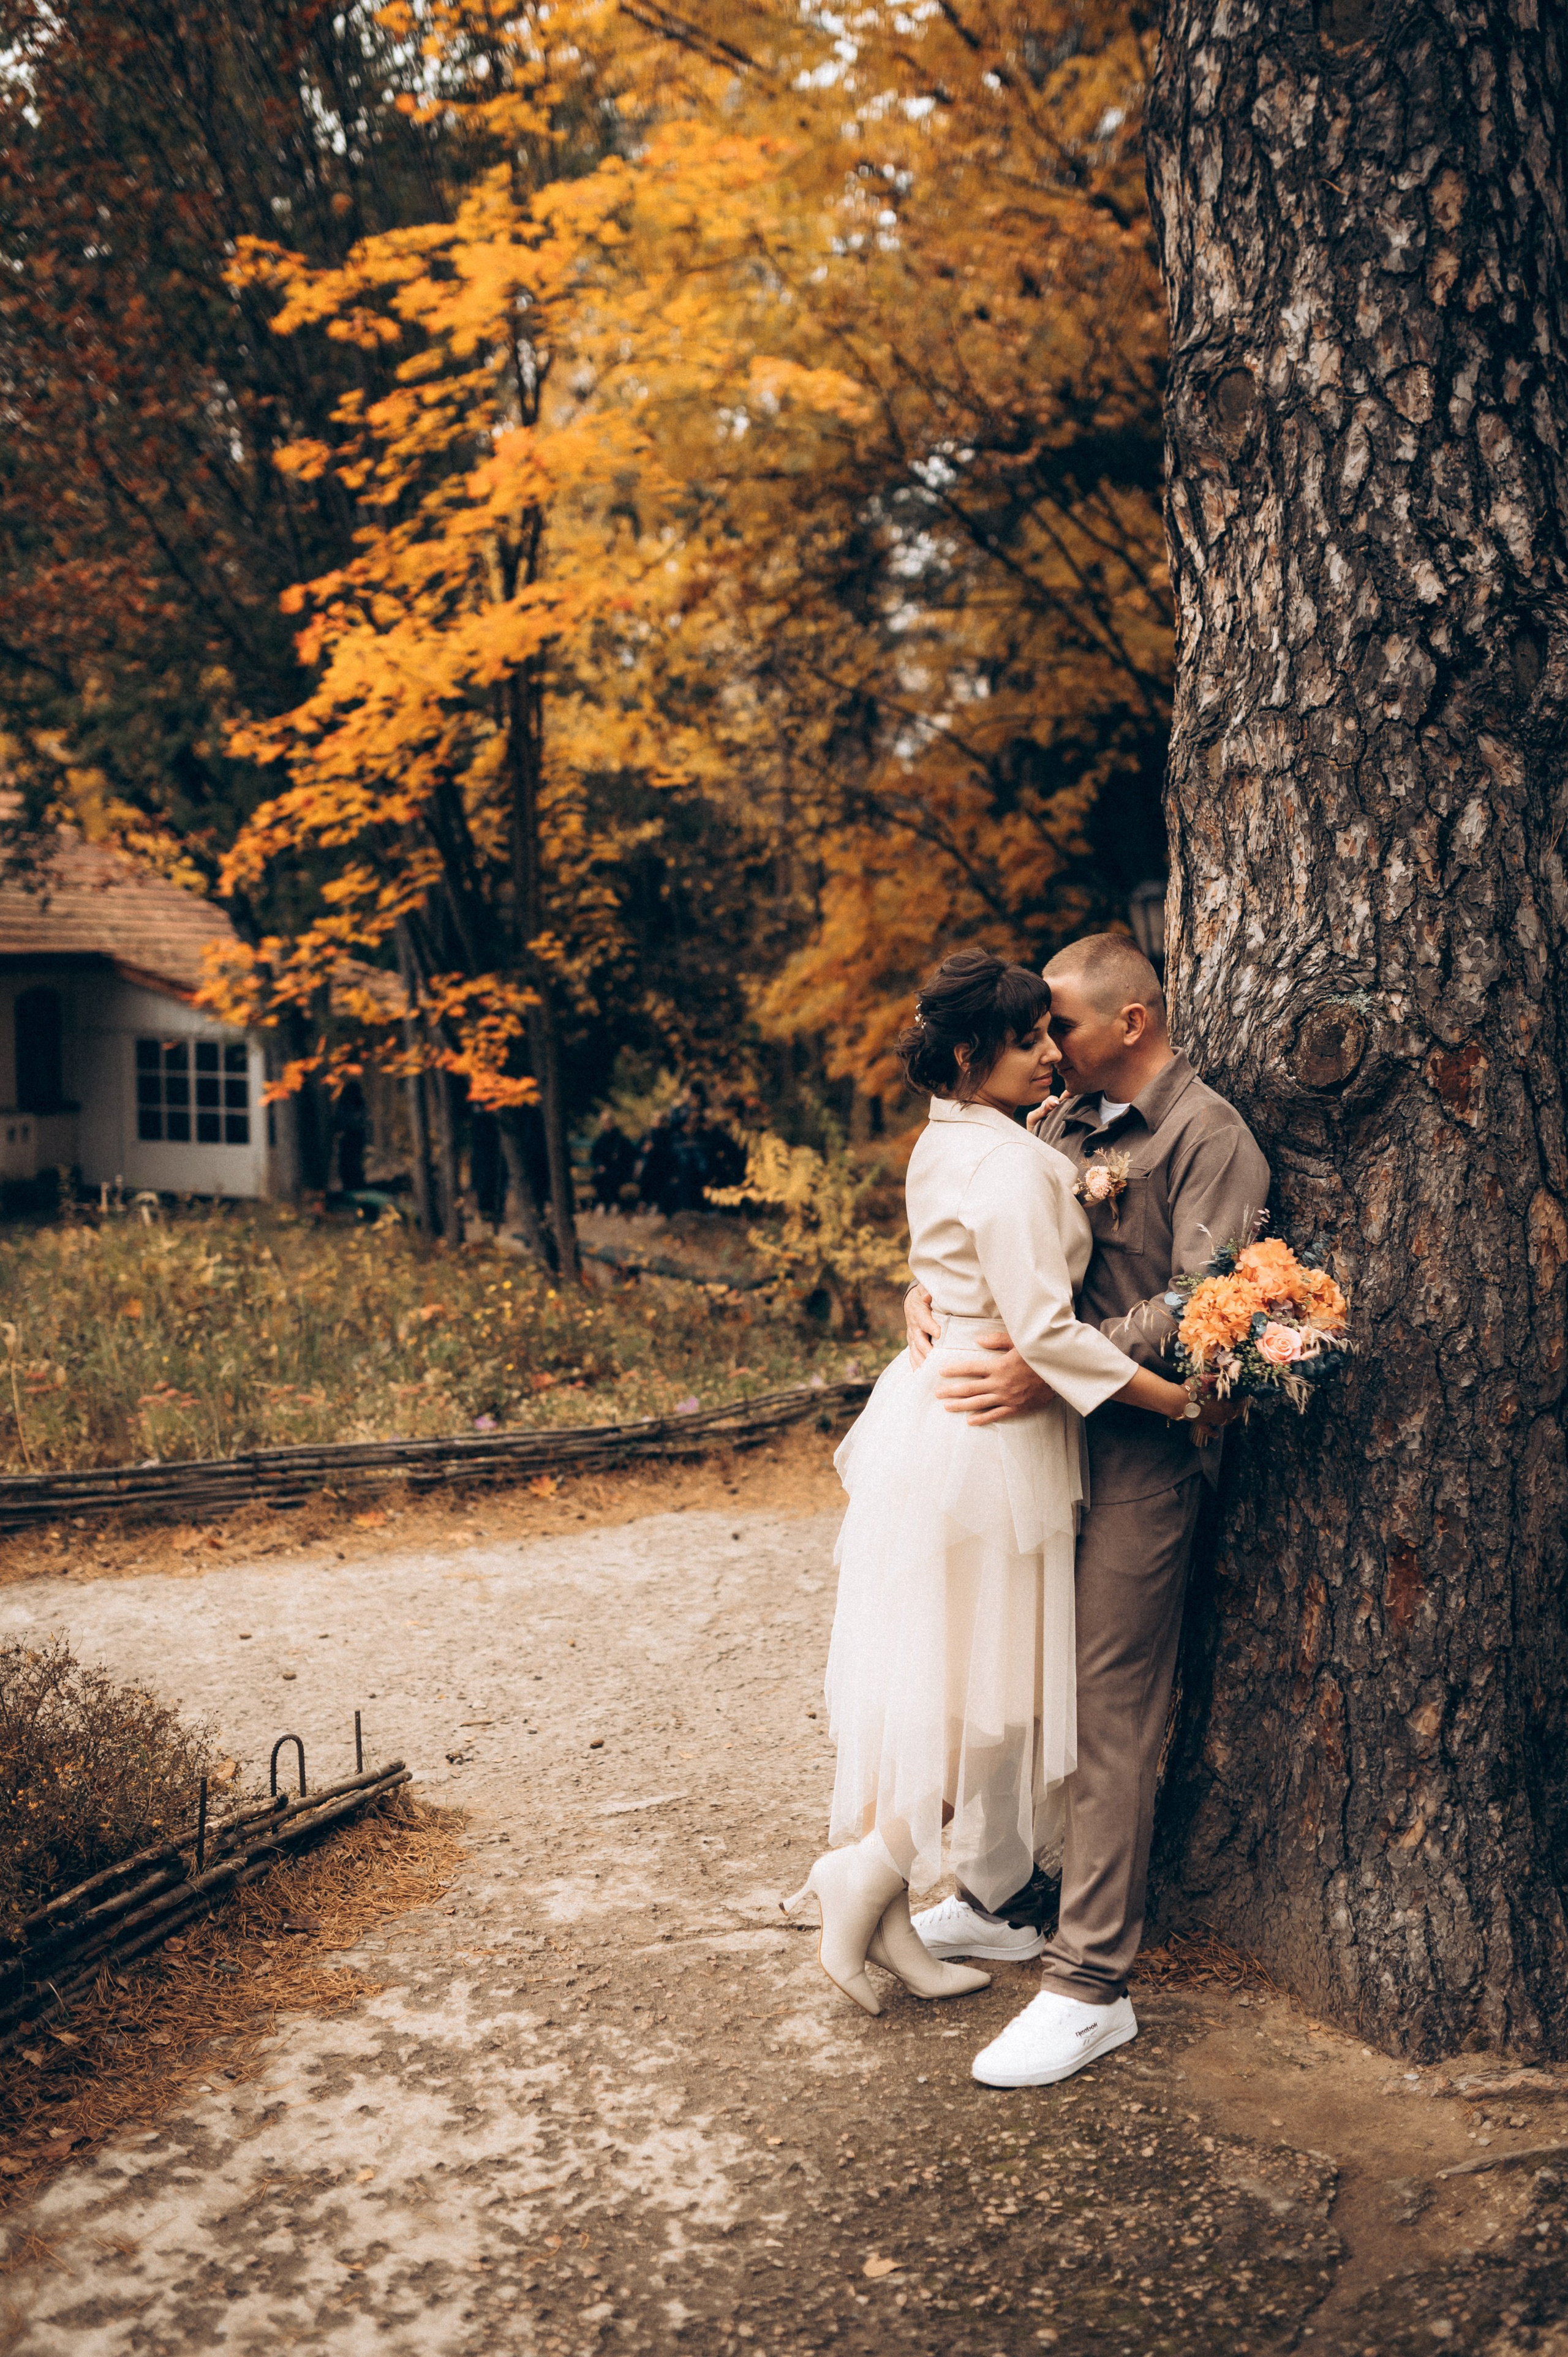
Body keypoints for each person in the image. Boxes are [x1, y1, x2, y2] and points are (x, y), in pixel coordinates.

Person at [787, 949, 1213, 2024]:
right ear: (975, 1053)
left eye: (1051, 1033)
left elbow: (951, 1262)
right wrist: (1177, 1401)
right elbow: (1047, 1333)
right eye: (1028, 1040)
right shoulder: (1016, 1163)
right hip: (991, 1440)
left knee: (956, 1669)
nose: (1049, 1056)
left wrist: (930, 1294)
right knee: (985, 1686)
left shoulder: (952, 1136)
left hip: (938, 1418)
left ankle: (889, 1912)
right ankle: (872, 1867)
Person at [904, 932, 1269, 2089]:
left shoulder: (1210, 1136)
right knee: (1010, 1672)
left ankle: (1089, 1982)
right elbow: (987, 1230)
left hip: (1141, 1451)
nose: (1043, 1045)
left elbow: (1201, 1295)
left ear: (1133, 1019)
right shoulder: (1054, 1122)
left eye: (1058, 1024)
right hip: (1035, 1444)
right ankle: (990, 1889)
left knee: (1110, 1708)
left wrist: (1047, 1365)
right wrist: (932, 1300)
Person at [589, 1112, 636, 1213]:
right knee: (599, 1178)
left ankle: (614, 1203)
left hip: (619, 1169)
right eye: (605, 1123)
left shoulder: (621, 1140)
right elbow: (595, 1157)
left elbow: (629, 1156)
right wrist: (599, 1165)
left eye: (609, 1122)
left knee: (613, 1177)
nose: (607, 1125)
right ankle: (604, 1203)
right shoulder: (601, 1139)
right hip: (605, 1169)